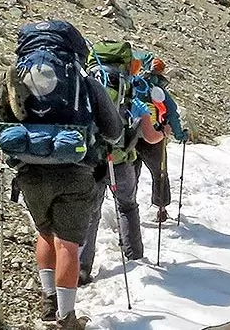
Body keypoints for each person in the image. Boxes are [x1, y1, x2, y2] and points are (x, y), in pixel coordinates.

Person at [0, 20, 123, 329]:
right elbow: (113, 131)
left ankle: (49, 301)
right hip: (74, 172)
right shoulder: (85, 81)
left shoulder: (16, 77)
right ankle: (66, 317)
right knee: (68, 245)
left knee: (44, 235)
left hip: (29, 170)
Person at [79, 40, 150, 285]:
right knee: (128, 205)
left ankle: (82, 268)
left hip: (93, 157)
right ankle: (135, 256)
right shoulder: (126, 86)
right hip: (121, 157)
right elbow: (139, 120)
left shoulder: (90, 82)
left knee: (92, 213)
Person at [131, 50, 189, 223]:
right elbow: (171, 112)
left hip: (131, 136)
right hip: (155, 137)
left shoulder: (131, 84)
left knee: (132, 173)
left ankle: (127, 207)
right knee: (159, 172)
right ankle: (161, 208)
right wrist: (180, 134)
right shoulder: (159, 90)